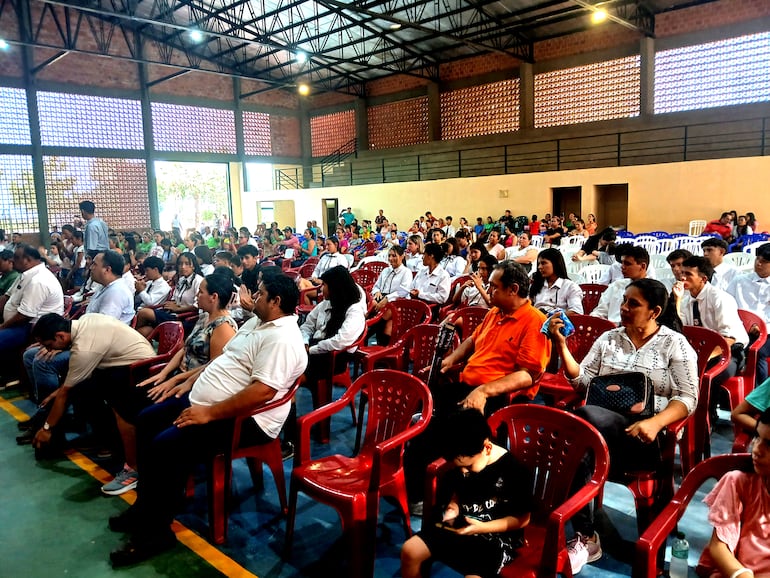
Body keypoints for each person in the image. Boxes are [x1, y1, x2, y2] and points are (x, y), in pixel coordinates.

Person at [107, 273, 307, 566]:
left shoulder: (283, 339)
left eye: (260, 294)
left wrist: (208, 412)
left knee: (165, 447)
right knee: (147, 420)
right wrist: (188, 382)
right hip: (210, 401)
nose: (253, 297)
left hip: (245, 421)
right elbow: (225, 362)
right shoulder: (257, 322)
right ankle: (145, 508)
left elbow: (262, 392)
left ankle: (156, 532)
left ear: (276, 301)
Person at [548, 278, 698, 569]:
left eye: (633, 303)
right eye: (624, 300)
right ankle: (585, 534)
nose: (624, 307)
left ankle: (577, 532)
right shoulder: (609, 339)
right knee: (584, 432)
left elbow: (688, 397)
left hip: (642, 435)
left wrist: (656, 422)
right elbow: (582, 382)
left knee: (581, 425)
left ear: (654, 311)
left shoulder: (674, 343)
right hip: (598, 433)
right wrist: (562, 345)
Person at [405, 261, 551, 504]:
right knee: (421, 413)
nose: (488, 290)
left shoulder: (534, 322)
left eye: (493, 287)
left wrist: (484, 391)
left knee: (436, 430)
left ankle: (430, 495)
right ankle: (416, 485)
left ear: (513, 289)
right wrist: (449, 360)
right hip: (467, 385)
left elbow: (528, 375)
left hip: (496, 395)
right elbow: (472, 341)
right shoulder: (495, 312)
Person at [97, 273, 238, 496]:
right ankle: (132, 462)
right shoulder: (205, 318)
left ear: (214, 297)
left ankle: (138, 470)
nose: (197, 296)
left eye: (201, 292)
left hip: (195, 387)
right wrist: (163, 373)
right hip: (179, 378)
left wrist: (176, 380)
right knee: (123, 397)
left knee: (146, 415)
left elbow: (212, 367)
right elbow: (183, 348)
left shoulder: (224, 328)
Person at [400, 408, 533, 578]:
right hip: (461, 527)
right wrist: (453, 507)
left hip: (495, 539)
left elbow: (523, 519)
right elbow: (458, 492)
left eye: (469, 466)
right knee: (409, 551)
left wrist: (482, 528)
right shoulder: (463, 460)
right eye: (458, 467)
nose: (463, 472)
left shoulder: (515, 472)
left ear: (487, 448)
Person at [695, 407, 770, 578]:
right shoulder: (739, 483)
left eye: (769, 445)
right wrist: (740, 574)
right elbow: (718, 546)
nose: (757, 449)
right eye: (757, 437)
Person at [676, 255, 748, 421]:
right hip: (701, 352)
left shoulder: (720, 299)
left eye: (688, 274)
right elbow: (681, 331)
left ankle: (707, 417)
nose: (682, 278)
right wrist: (677, 301)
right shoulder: (687, 299)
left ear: (703, 279)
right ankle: (685, 415)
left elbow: (728, 339)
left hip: (728, 353)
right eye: (682, 273)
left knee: (707, 377)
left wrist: (702, 359)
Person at [299, 266, 366, 411]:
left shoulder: (354, 310)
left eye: (325, 285)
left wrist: (311, 350)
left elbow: (340, 341)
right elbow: (307, 325)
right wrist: (304, 342)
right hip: (317, 348)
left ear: (336, 287)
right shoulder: (325, 304)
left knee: (293, 373)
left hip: (335, 356)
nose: (321, 289)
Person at [0, 245, 64, 352]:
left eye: (16, 257)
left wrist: (2, 326)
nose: (12, 260)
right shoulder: (25, 275)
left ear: (27, 260)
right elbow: (6, 296)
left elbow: (25, 315)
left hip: (33, 327)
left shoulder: (38, 280)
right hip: (18, 324)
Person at [726, 243, 770, 383]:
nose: (758, 264)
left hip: (767, 333)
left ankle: (759, 396)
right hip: (740, 329)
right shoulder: (739, 281)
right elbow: (728, 305)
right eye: (757, 259)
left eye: (764, 262)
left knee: (757, 352)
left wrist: (763, 329)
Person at [134, 252, 203, 338]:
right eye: (180, 264)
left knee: (143, 312)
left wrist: (179, 309)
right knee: (143, 331)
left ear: (193, 266)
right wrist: (173, 304)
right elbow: (174, 298)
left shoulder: (198, 281)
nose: (183, 267)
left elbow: (198, 305)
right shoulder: (181, 279)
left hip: (184, 317)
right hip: (172, 312)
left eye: (187, 264)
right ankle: (136, 339)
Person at [591, 245, 651, 323]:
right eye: (622, 263)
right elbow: (600, 311)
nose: (622, 267)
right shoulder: (616, 285)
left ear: (642, 266)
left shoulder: (652, 291)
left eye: (627, 264)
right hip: (609, 329)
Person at [529, 248, 584, 316]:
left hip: (558, 323)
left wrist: (550, 316)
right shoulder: (536, 285)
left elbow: (576, 312)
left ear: (555, 264)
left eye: (543, 263)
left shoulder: (570, 287)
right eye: (539, 264)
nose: (539, 267)